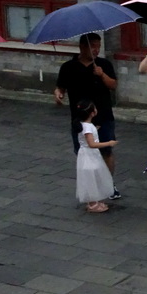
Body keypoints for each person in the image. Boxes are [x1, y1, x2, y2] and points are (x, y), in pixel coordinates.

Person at [55, 33, 120, 200]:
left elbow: (113, 85)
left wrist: (102, 75)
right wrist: (58, 94)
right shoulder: (68, 67)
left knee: (106, 151)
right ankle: (91, 186)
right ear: (82, 47)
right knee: (84, 153)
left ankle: (108, 184)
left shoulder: (103, 64)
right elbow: (60, 87)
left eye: (98, 46)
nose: (96, 50)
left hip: (103, 116)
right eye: (93, 46)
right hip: (80, 119)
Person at [73, 100, 116, 213]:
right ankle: (92, 203)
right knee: (91, 177)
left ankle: (94, 201)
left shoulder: (84, 125)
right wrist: (108, 143)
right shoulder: (87, 127)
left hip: (89, 154)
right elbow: (91, 144)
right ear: (92, 113)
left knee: (93, 176)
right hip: (89, 155)